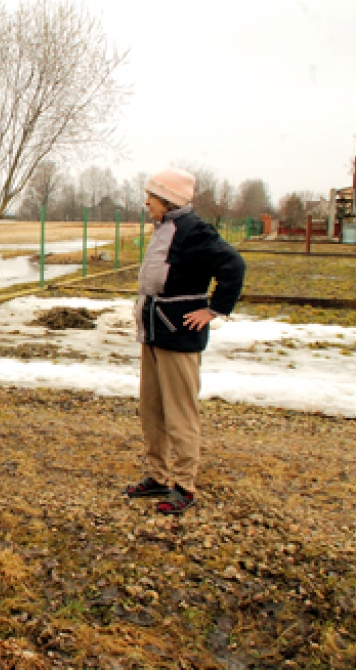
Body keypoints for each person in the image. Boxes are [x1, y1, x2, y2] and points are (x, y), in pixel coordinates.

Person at [125, 167, 245, 514]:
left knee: (180, 414)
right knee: (152, 410)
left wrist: (215, 309)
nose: (146, 202)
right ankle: (158, 476)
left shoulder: (194, 230)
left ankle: (184, 485)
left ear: (169, 199)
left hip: (179, 335)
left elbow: (233, 266)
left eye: (151, 196)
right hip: (153, 333)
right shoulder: (164, 229)